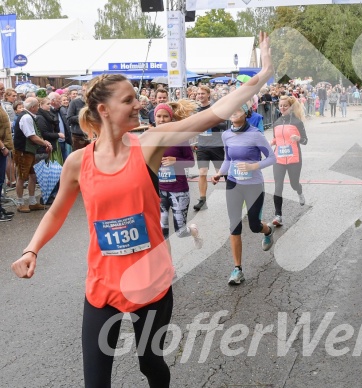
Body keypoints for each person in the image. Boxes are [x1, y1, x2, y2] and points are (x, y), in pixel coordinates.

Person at [11, 32, 273, 387]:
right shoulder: (77, 163)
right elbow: (56, 211)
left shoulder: (148, 143)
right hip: (102, 284)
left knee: (150, 364)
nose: (139, 105)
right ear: (103, 110)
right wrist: (32, 249)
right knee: (95, 381)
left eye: (137, 98)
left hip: (149, 281)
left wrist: (260, 76)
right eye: (128, 100)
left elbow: (212, 114)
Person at [211, 103, 276, 285]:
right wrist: (219, 174)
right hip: (233, 183)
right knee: (234, 225)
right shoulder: (226, 135)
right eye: (231, 110)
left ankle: (268, 230)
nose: (233, 113)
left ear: (246, 113)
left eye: (238, 110)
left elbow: (272, 158)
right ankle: (237, 269)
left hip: (253, 184)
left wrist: (253, 166)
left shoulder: (255, 134)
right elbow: (228, 159)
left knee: (254, 225)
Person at [154, 101, 201, 252]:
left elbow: (190, 162)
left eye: (165, 117)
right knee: (162, 233)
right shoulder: (151, 138)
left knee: (180, 232)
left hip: (178, 191)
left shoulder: (179, 138)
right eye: (158, 116)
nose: (161, 120)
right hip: (160, 191)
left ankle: (193, 230)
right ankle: (169, 267)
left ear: (171, 118)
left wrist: (175, 161)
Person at [270, 95, 308, 227]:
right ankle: (278, 215)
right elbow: (276, 139)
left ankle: (299, 191)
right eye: (280, 106)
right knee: (278, 186)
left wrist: (298, 138)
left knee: (293, 184)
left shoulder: (297, 122)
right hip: (279, 159)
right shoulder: (276, 122)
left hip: (294, 159)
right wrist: (272, 142)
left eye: (285, 106)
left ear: (290, 107)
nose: (282, 108)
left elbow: (305, 141)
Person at [192, 85, 227, 211]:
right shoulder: (195, 109)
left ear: (208, 95)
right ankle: (202, 200)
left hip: (216, 145)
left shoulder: (215, 108)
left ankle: (236, 195)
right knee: (202, 173)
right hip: (202, 146)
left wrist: (211, 121)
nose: (200, 96)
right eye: (198, 94)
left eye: (202, 93)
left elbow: (224, 124)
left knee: (223, 172)